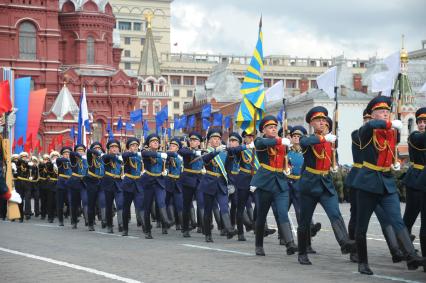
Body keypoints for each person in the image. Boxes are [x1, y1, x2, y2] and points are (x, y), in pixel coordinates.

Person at [353, 96, 425, 275]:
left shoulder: (392, 132)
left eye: (387, 111)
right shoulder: (365, 131)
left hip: (386, 181)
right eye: (381, 111)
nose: (385, 114)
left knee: (397, 220)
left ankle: (411, 255)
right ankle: (362, 261)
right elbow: (369, 126)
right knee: (362, 226)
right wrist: (386, 123)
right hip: (368, 182)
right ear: (372, 114)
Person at [298, 106, 355, 265]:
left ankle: (344, 242)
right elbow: (306, 142)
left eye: (324, 120)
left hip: (326, 183)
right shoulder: (307, 138)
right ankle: (302, 251)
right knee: (305, 221)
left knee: (335, 213)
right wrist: (324, 139)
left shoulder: (330, 142)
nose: (322, 123)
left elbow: (330, 159)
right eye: (318, 120)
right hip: (310, 184)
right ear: (311, 123)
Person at [251, 115, 297, 256]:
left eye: (275, 127)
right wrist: (279, 140)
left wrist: (287, 166)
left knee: (283, 212)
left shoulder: (282, 143)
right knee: (262, 215)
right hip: (265, 183)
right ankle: (259, 245)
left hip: (280, 182)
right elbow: (262, 144)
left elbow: (285, 158)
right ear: (264, 130)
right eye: (270, 127)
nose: (273, 129)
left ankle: (289, 243)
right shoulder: (260, 140)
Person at [402, 107, 426, 253]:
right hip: (416, 179)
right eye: (420, 122)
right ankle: (403, 245)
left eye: (425, 121)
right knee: (410, 215)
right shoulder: (414, 136)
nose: (422, 124)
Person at [141, 134, 173, 239]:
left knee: (161, 202)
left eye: (157, 141)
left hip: (159, 181)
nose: (155, 143)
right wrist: (161, 155)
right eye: (153, 141)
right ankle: (147, 230)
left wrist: (166, 170)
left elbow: (167, 164)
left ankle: (166, 222)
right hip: (149, 182)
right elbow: (148, 154)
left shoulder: (162, 154)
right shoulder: (145, 152)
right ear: (149, 144)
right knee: (148, 206)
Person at [178, 132, 205, 238]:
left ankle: (201, 225)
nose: (193, 142)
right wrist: (195, 152)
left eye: (195, 140)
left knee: (201, 203)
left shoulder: (203, 151)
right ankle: (185, 228)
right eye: (191, 140)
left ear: (199, 142)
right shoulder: (186, 150)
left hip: (199, 180)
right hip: (188, 180)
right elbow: (181, 151)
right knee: (187, 204)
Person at [121, 138, 144, 236]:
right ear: (129, 147)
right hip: (128, 183)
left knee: (141, 206)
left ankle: (145, 228)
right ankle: (125, 228)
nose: (134, 147)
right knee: (126, 207)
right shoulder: (127, 155)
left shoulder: (141, 156)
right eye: (132, 146)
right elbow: (124, 155)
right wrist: (134, 153)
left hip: (139, 183)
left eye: (136, 146)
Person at [101, 139, 123, 233]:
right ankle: (109, 225)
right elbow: (106, 157)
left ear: (119, 148)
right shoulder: (106, 157)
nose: (114, 149)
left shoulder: (122, 158)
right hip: (108, 183)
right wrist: (117, 157)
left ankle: (121, 224)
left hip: (119, 183)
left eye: (116, 147)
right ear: (109, 149)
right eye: (112, 147)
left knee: (120, 204)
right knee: (109, 205)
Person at [164, 137, 184, 233]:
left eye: (174, 146)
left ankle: (179, 223)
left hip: (178, 182)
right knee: (167, 203)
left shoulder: (181, 156)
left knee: (179, 204)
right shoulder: (167, 155)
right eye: (171, 145)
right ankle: (167, 223)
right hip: (168, 181)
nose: (172, 147)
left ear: (178, 148)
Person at [84, 142, 105, 231]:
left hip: (102, 182)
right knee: (91, 203)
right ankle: (91, 223)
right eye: (96, 148)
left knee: (103, 201)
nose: (98, 149)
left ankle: (104, 220)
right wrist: (95, 152)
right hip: (92, 183)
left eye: (99, 148)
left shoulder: (102, 159)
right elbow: (88, 151)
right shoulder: (90, 158)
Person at [55, 147, 73, 226]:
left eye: (68, 154)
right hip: (61, 183)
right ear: (62, 154)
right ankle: (60, 220)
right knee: (60, 203)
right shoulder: (60, 161)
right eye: (65, 154)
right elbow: (58, 160)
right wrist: (68, 159)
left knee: (71, 202)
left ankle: (73, 219)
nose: (67, 155)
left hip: (70, 183)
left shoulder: (73, 162)